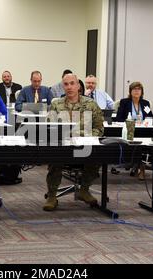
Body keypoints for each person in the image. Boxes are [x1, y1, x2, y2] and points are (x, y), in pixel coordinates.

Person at [44, 74, 104, 211]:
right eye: (66, 84)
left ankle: (84, 189)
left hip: (84, 146)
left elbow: (99, 129)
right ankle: (52, 196)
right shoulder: (56, 104)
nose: (69, 87)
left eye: (72, 83)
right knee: (54, 156)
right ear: (63, 87)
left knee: (97, 157)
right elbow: (49, 127)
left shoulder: (91, 104)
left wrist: (86, 138)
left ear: (78, 86)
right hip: (63, 147)